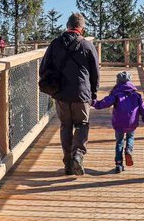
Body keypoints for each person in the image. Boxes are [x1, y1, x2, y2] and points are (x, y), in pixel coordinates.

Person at [39, 12, 99, 175]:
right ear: (82, 28)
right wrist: (93, 94)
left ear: (67, 26)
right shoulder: (87, 45)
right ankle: (78, 156)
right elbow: (95, 72)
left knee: (66, 125)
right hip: (81, 93)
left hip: (61, 94)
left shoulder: (55, 44)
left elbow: (43, 68)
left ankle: (67, 162)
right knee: (82, 124)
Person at [92, 71, 144, 173]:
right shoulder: (136, 95)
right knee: (130, 137)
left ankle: (119, 164)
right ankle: (128, 150)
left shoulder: (115, 94)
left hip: (119, 123)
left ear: (117, 82)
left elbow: (104, 103)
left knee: (119, 142)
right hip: (131, 123)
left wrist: (94, 103)